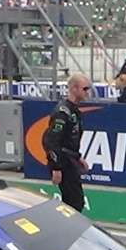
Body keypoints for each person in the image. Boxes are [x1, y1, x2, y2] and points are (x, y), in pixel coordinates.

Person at [43, 74, 91, 212]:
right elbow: (51, 141)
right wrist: (56, 167)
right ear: (74, 89)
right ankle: (63, 225)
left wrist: (78, 157)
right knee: (74, 202)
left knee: (76, 201)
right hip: (63, 162)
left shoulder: (74, 110)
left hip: (70, 159)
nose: (87, 92)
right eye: (85, 89)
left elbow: (70, 139)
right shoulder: (63, 112)